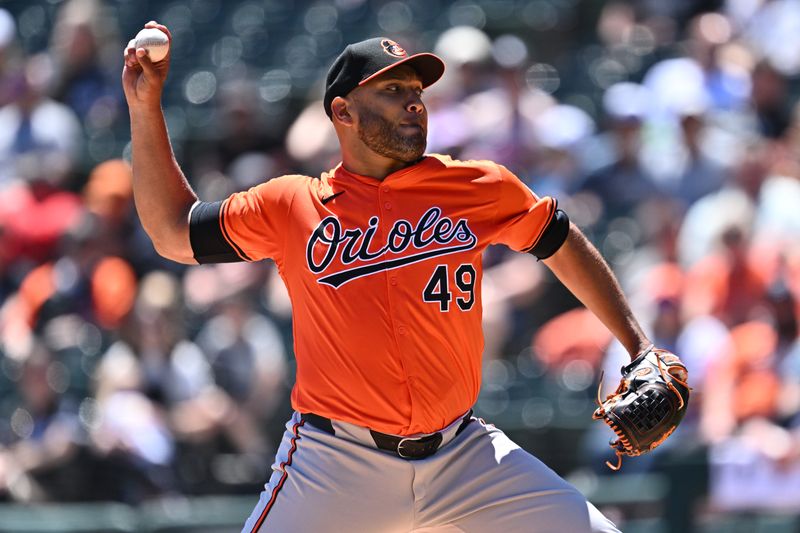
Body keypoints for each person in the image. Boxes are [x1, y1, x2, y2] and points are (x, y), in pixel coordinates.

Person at [123, 21, 663, 533]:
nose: (413, 101)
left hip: (465, 456)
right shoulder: (292, 204)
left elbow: (560, 241)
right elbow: (173, 232)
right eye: (391, 89)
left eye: (417, 90)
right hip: (337, 462)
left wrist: (640, 347)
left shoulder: (476, 185)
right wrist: (145, 106)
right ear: (344, 112)